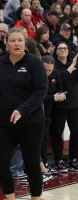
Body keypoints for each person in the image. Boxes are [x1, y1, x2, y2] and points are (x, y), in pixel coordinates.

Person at [0, 28, 48, 200]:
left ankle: (36, 197)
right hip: (5, 123)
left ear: (25, 43)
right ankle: (10, 197)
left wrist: (22, 110)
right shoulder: (0, 65)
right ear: (6, 43)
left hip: (31, 123)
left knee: (32, 164)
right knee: (1, 163)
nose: (16, 43)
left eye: (20, 40)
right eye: (12, 40)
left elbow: (41, 91)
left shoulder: (34, 63)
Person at [50, 42, 78, 172]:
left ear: (68, 50)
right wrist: (73, 64)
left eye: (65, 48)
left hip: (75, 104)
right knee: (57, 133)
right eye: (59, 48)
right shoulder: (54, 66)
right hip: (59, 105)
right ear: (56, 51)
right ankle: (59, 160)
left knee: (76, 132)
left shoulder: (74, 64)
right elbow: (62, 79)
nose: (62, 50)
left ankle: (73, 158)